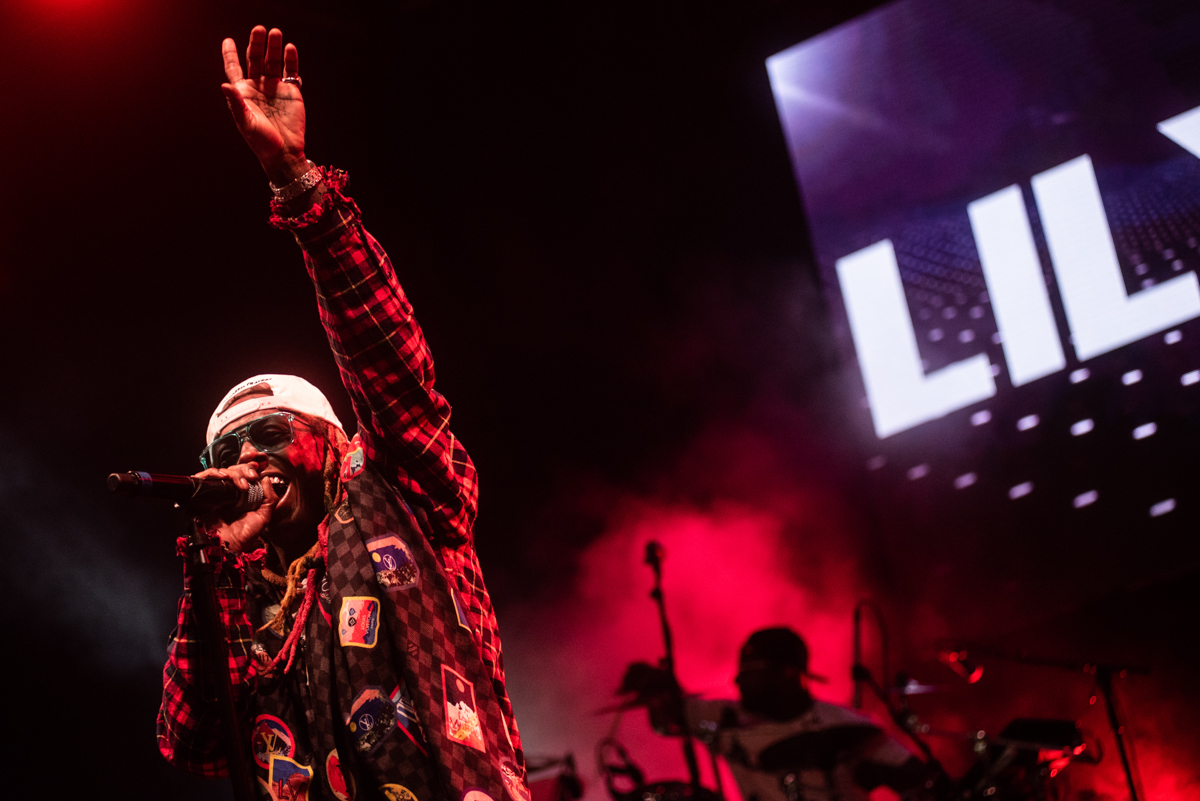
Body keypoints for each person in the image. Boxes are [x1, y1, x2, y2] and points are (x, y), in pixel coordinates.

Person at [156, 25, 528, 801]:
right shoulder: (246, 600)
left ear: (330, 444)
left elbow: (383, 350)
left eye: (268, 433)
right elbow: (192, 738)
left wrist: (295, 182)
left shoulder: (400, 492)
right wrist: (214, 565)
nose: (246, 458)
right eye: (227, 450)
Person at [621, 628, 925, 801]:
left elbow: (921, 784)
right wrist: (655, 688)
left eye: (752, 672)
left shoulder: (847, 727)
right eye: (740, 671)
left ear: (788, 673)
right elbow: (668, 720)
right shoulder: (722, 716)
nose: (739, 681)